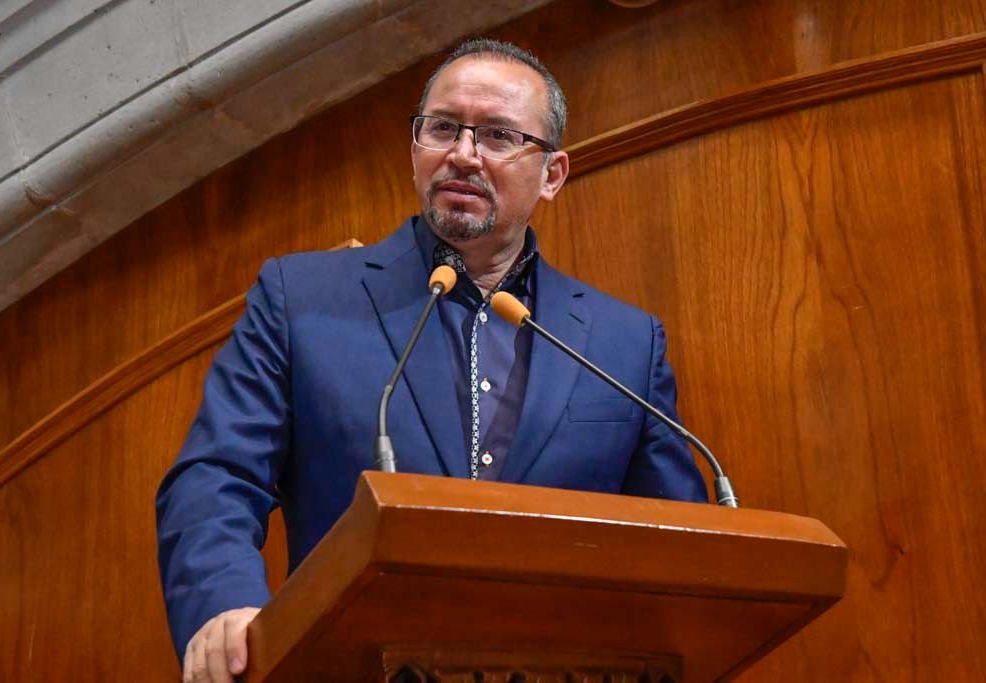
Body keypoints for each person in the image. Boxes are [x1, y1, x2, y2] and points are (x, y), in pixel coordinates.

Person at [156, 39, 707, 683]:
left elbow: (681, 542)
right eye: (443, 128)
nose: (463, 154)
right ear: (415, 147)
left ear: (552, 174)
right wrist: (223, 604)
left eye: (498, 136)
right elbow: (217, 475)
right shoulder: (301, 300)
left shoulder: (624, 343)